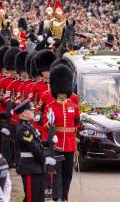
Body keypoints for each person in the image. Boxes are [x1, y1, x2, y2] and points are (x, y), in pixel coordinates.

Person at [42, 64, 79, 202]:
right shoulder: (50, 107)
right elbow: (45, 126)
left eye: (64, 91)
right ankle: (57, 197)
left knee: (68, 174)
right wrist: (50, 124)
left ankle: (64, 196)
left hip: (69, 143)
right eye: (60, 91)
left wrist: (74, 135)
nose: (62, 94)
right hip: (57, 144)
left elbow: (77, 123)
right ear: (56, 90)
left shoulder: (73, 107)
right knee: (57, 172)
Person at [15, 99, 55, 202]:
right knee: (31, 198)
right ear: (24, 113)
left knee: (39, 198)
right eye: (31, 110)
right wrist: (45, 159)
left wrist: (49, 142)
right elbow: (34, 147)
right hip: (29, 167)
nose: (33, 112)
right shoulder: (23, 129)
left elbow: (37, 143)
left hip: (36, 166)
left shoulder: (29, 126)